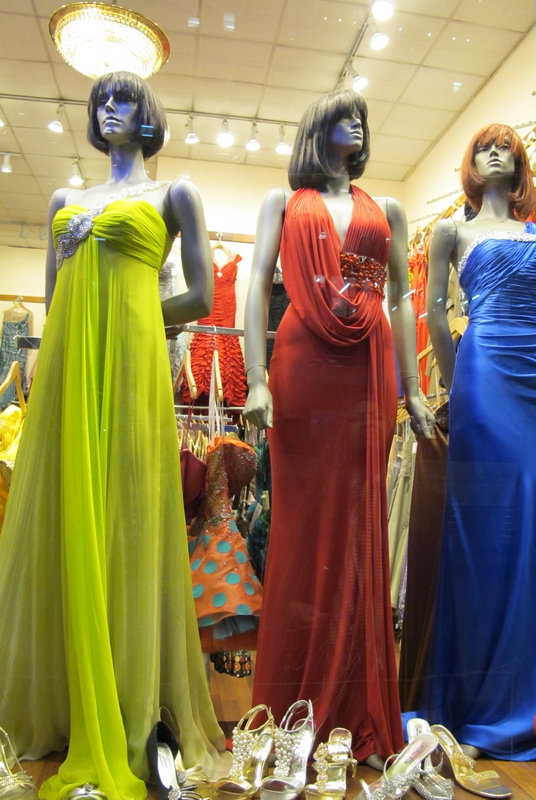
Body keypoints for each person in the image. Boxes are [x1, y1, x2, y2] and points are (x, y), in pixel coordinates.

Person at [0, 71, 230, 800]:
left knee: (130, 519)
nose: (110, 109)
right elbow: (54, 296)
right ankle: (64, 700)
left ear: (148, 112)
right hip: (73, 371)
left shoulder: (175, 194)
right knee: (66, 515)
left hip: (132, 364)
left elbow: (200, 294)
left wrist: (135, 310)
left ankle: (131, 703)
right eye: (101, 100)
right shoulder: (64, 199)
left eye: (123, 98)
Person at [243, 88, 434, 765]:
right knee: (301, 530)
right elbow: (255, 284)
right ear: (316, 130)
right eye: (341, 116)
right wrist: (256, 378)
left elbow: (403, 299)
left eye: (360, 118)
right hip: (302, 365)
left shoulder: (390, 210)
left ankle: (360, 712)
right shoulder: (282, 202)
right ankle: (290, 711)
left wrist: (414, 388)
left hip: (368, 372)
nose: (355, 124)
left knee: (361, 526)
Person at [421, 123, 536, 759]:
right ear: (470, 164)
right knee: (486, 526)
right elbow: (433, 315)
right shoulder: (451, 230)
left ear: (520, 165)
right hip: (486, 372)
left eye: (506, 148)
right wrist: (454, 382)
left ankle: (532, 698)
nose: (495, 154)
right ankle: (476, 703)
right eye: (484, 148)